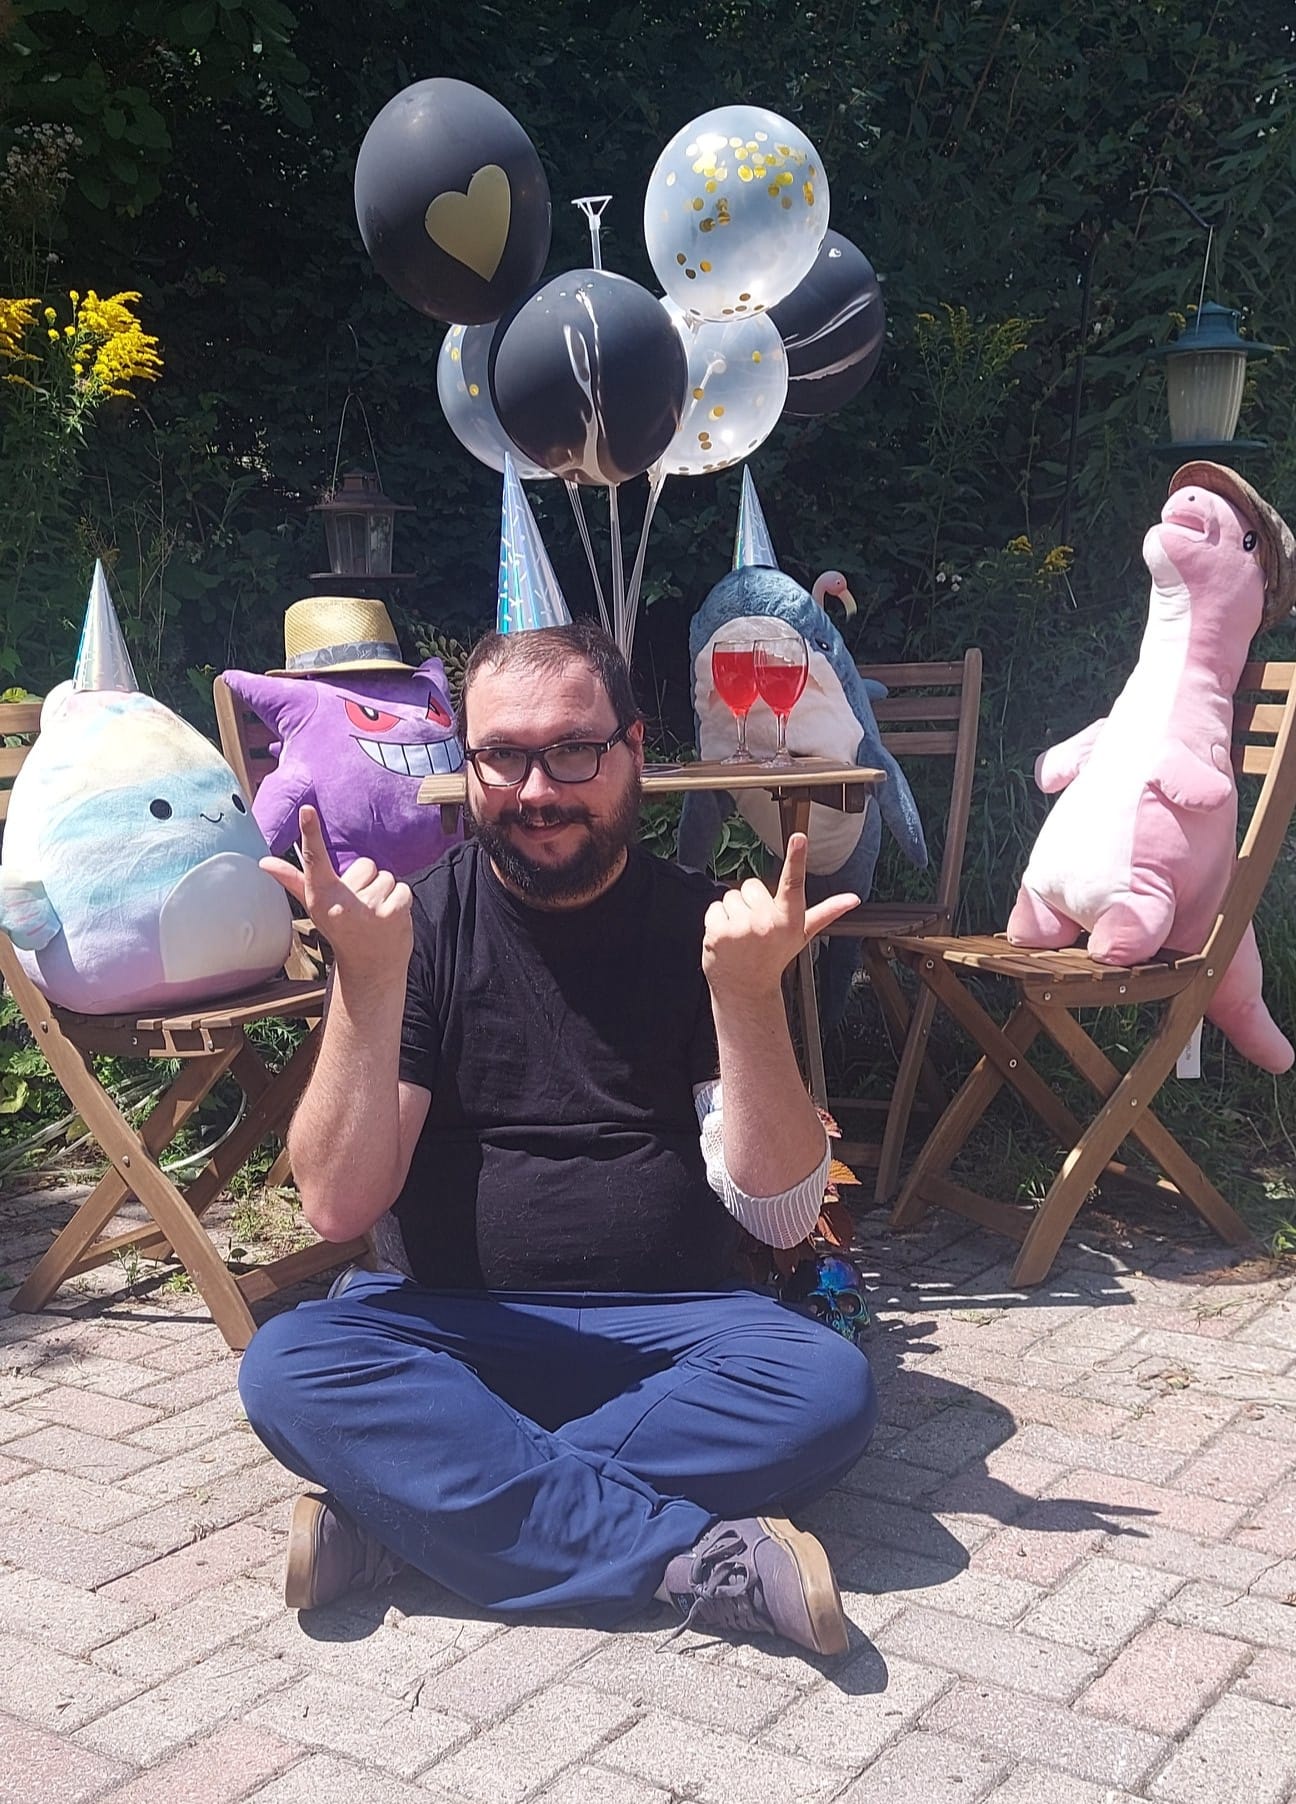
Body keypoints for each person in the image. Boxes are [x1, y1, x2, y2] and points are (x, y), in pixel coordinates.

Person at [238, 619, 878, 1658]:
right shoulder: (416, 931)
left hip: (682, 1335)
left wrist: (748, 997)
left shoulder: (702, 928)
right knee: (291, 1363)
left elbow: (782, 1208)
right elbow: (340, 1207)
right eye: (504, 754)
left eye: (574, 750)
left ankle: (407, 1523)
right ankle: (685, 1560)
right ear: (469, 763)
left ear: (632, 748)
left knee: (824, 1387)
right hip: (446, 1330)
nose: (538, 790)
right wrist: (365, 983)